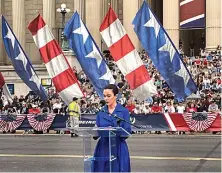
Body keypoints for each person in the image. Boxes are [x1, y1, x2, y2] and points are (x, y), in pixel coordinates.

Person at [93, 84, 131, 172]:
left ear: (116, 96)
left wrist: (114, 129)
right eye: (104, 96)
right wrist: (95, 131)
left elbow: (127, 131)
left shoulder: (123, 111)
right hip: (103, 147)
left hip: (118, 147)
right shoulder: (101, 112)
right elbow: (96, 133)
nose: (106, 98)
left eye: (109, 96)